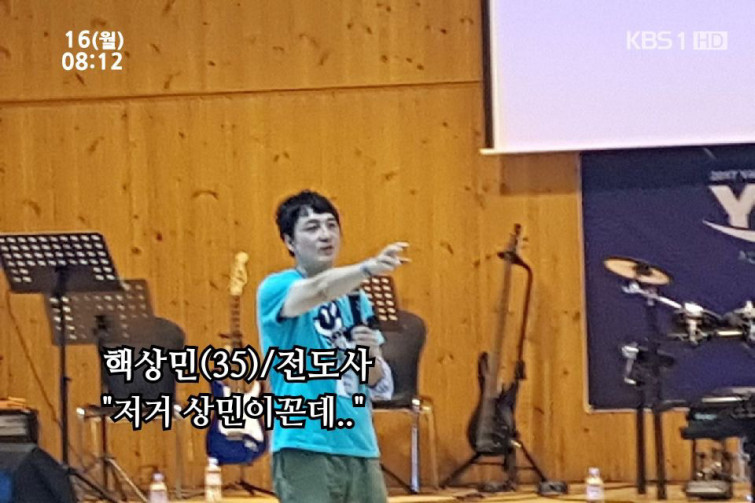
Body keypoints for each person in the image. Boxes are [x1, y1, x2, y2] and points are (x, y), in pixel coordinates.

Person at [257, 190, 409, 503]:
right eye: (312, 228)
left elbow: (374, 380)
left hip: (359, 444)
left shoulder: (357, 298)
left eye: (331, 225)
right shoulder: (276, 288)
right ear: (290, 242)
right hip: (305, 442)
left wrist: (369, 353)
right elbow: (319, 289)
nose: (325, 235)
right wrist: (367, 268)